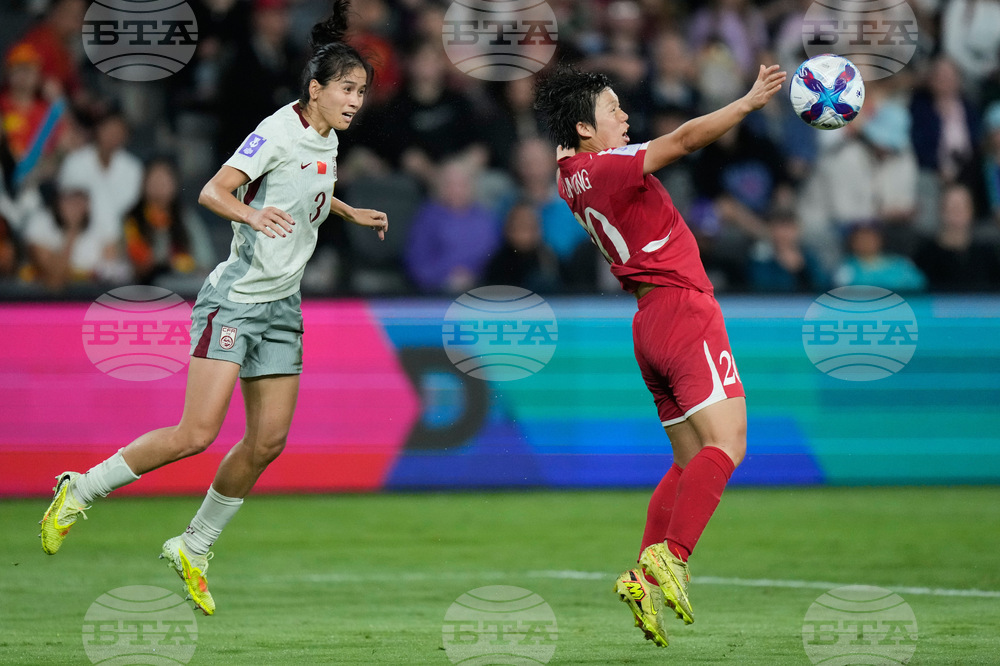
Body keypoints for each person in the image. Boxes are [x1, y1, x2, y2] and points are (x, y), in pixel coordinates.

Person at [38, 0, 388, 617]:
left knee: (268, 441)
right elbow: (212, 190)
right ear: (315, 89)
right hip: (236, 301)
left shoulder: (326, 138)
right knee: (196, 434)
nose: (355, 100)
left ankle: (194, 545)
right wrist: (251, 214)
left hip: (282, 304)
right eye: (347, 89)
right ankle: (81, 487)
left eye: (361, 91)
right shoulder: (275, 130)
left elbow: (303, 185)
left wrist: (345, 209)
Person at [534, 61, 785, 647]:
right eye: (612, 110)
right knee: (728, 443)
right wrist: (747, 103)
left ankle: (644, 581)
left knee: (688, 459)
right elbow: (685, 140)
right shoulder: (607, 166)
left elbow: (563, 148)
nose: (625, 117)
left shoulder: (569, 176)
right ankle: (673, 555)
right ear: (584, 129)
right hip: (682, 309)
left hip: (648, 323)